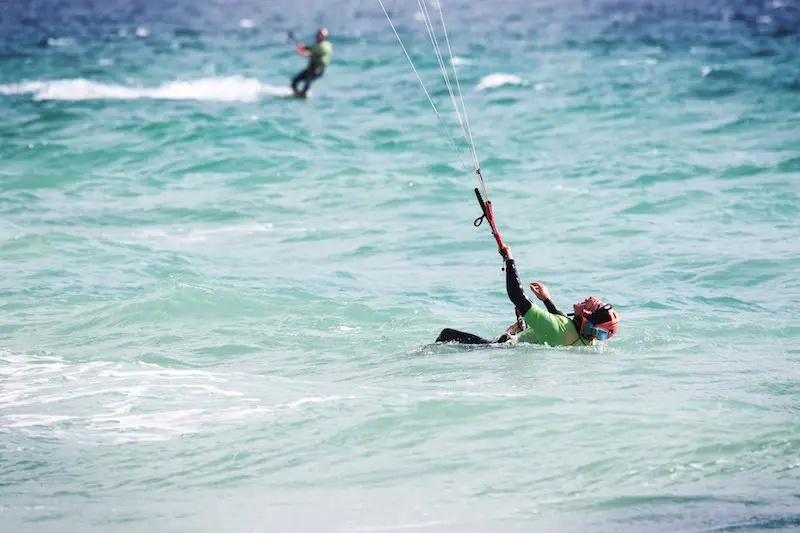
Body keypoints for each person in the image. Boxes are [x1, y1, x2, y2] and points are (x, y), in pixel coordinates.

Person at [436, 244, 619, 346]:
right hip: (520, 345)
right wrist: (546, 300)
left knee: (446, 335)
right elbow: (567, 324)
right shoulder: (587, 341)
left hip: (495, 350)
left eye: (592, 305)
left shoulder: (554, 327)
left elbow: (517, 296)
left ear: (587, 317)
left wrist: (509, 260)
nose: (588, 299)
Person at [291, 28, 333, 97]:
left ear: (324, 36)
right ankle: (296, 92)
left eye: (321, 35)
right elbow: (310, 48)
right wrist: (302, 47)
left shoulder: (326, 45)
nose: (318, 36)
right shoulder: (316, 45)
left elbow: (313, 52)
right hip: (311, 67)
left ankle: (304, 93)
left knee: (309, 79)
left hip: (319, 68)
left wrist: (303, 52)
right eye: (318, 34)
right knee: (295, 80)